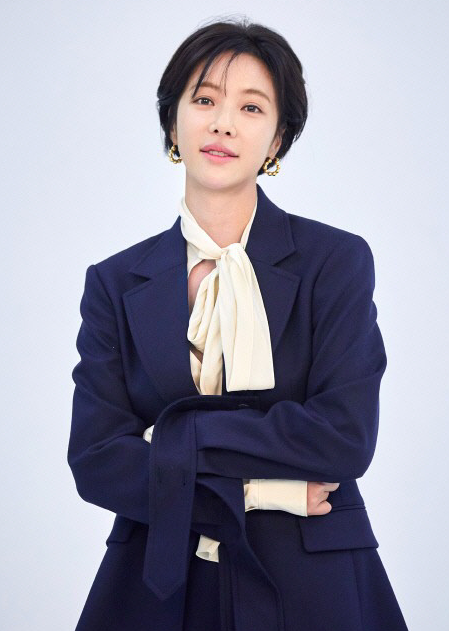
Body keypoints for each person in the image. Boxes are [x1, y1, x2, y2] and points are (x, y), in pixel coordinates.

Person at [67, 16, 409, 631]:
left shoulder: (335, 261)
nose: (223, 123)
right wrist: (265, 491)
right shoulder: (114, 283)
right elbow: (97, 461)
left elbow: (344, 437)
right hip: (158, 582)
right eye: (204, 100)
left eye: (251, 108)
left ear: (277, 140)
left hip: (312, 580)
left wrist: (173, 438)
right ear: (173, 123)